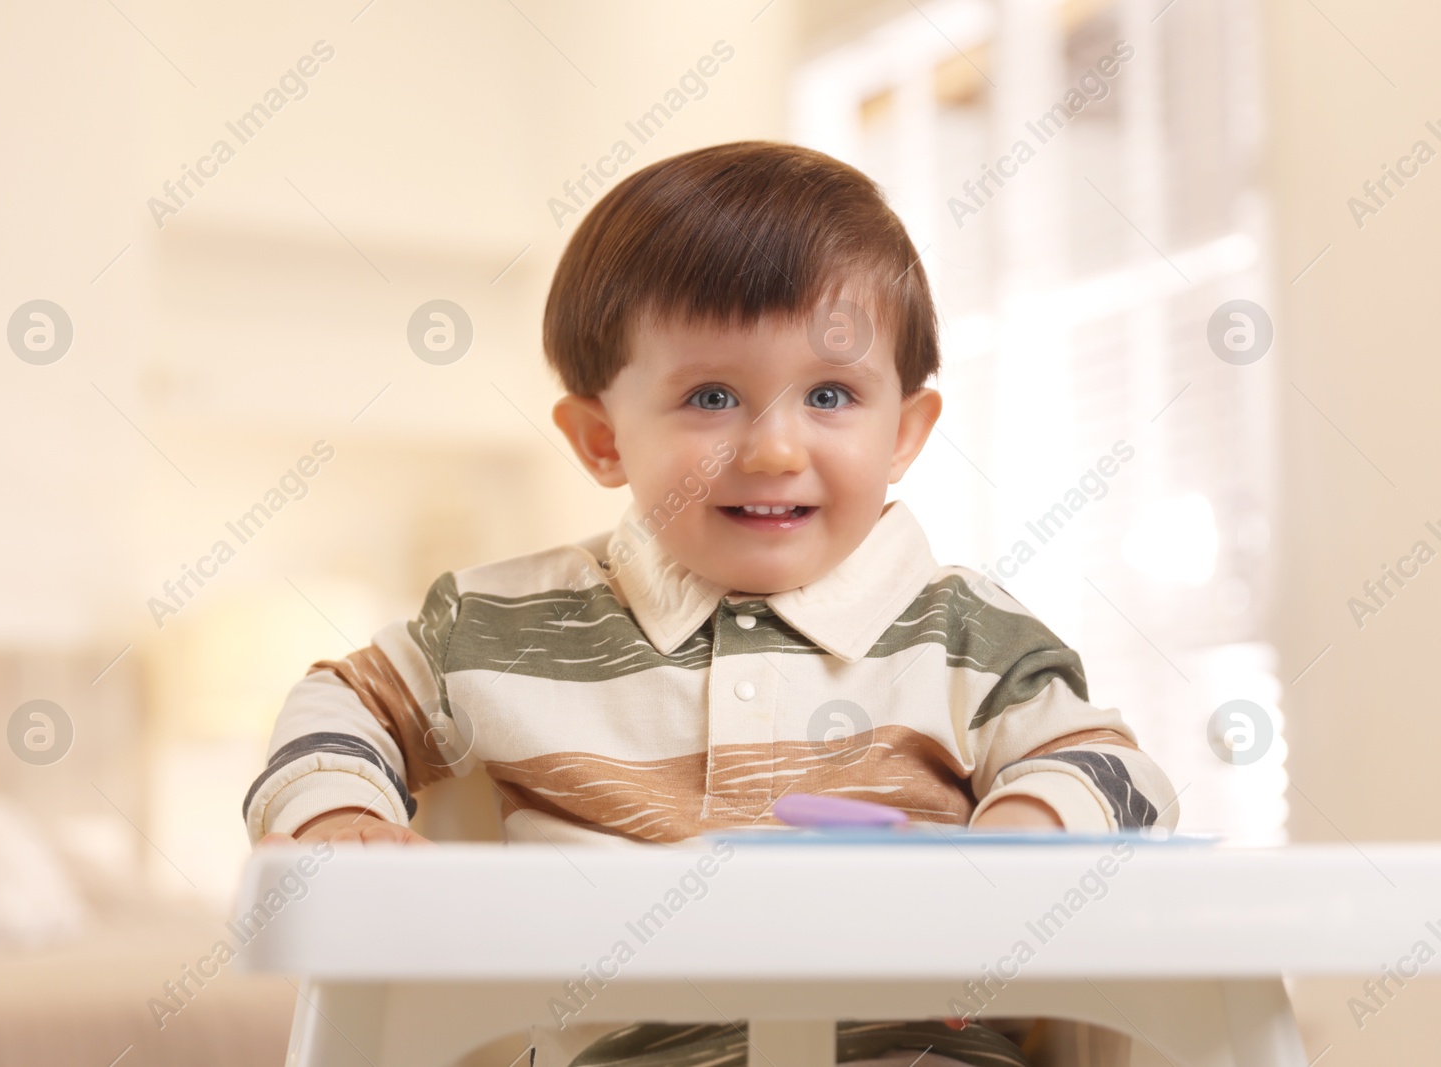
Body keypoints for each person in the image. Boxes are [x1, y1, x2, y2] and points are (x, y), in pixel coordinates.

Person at [245, 140, 1177, 1067]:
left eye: (830, 393)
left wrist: (1020, 840)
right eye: (713, 395)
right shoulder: (501, 625)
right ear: (604, 438)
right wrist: (337, 816)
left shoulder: (964, 633)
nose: (774, 448)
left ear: (905, 432)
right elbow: (345, 700)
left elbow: (1111, 768)